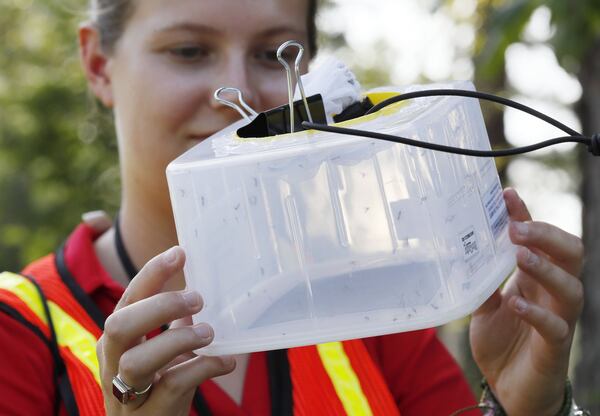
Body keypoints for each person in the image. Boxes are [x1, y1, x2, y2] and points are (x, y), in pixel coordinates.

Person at [0, 0, 586, 415]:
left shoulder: (368, 302)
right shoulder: (21, 335)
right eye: (189, 50)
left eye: (269, 55)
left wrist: (523, 407)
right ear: (99, 64)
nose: (240, 93)